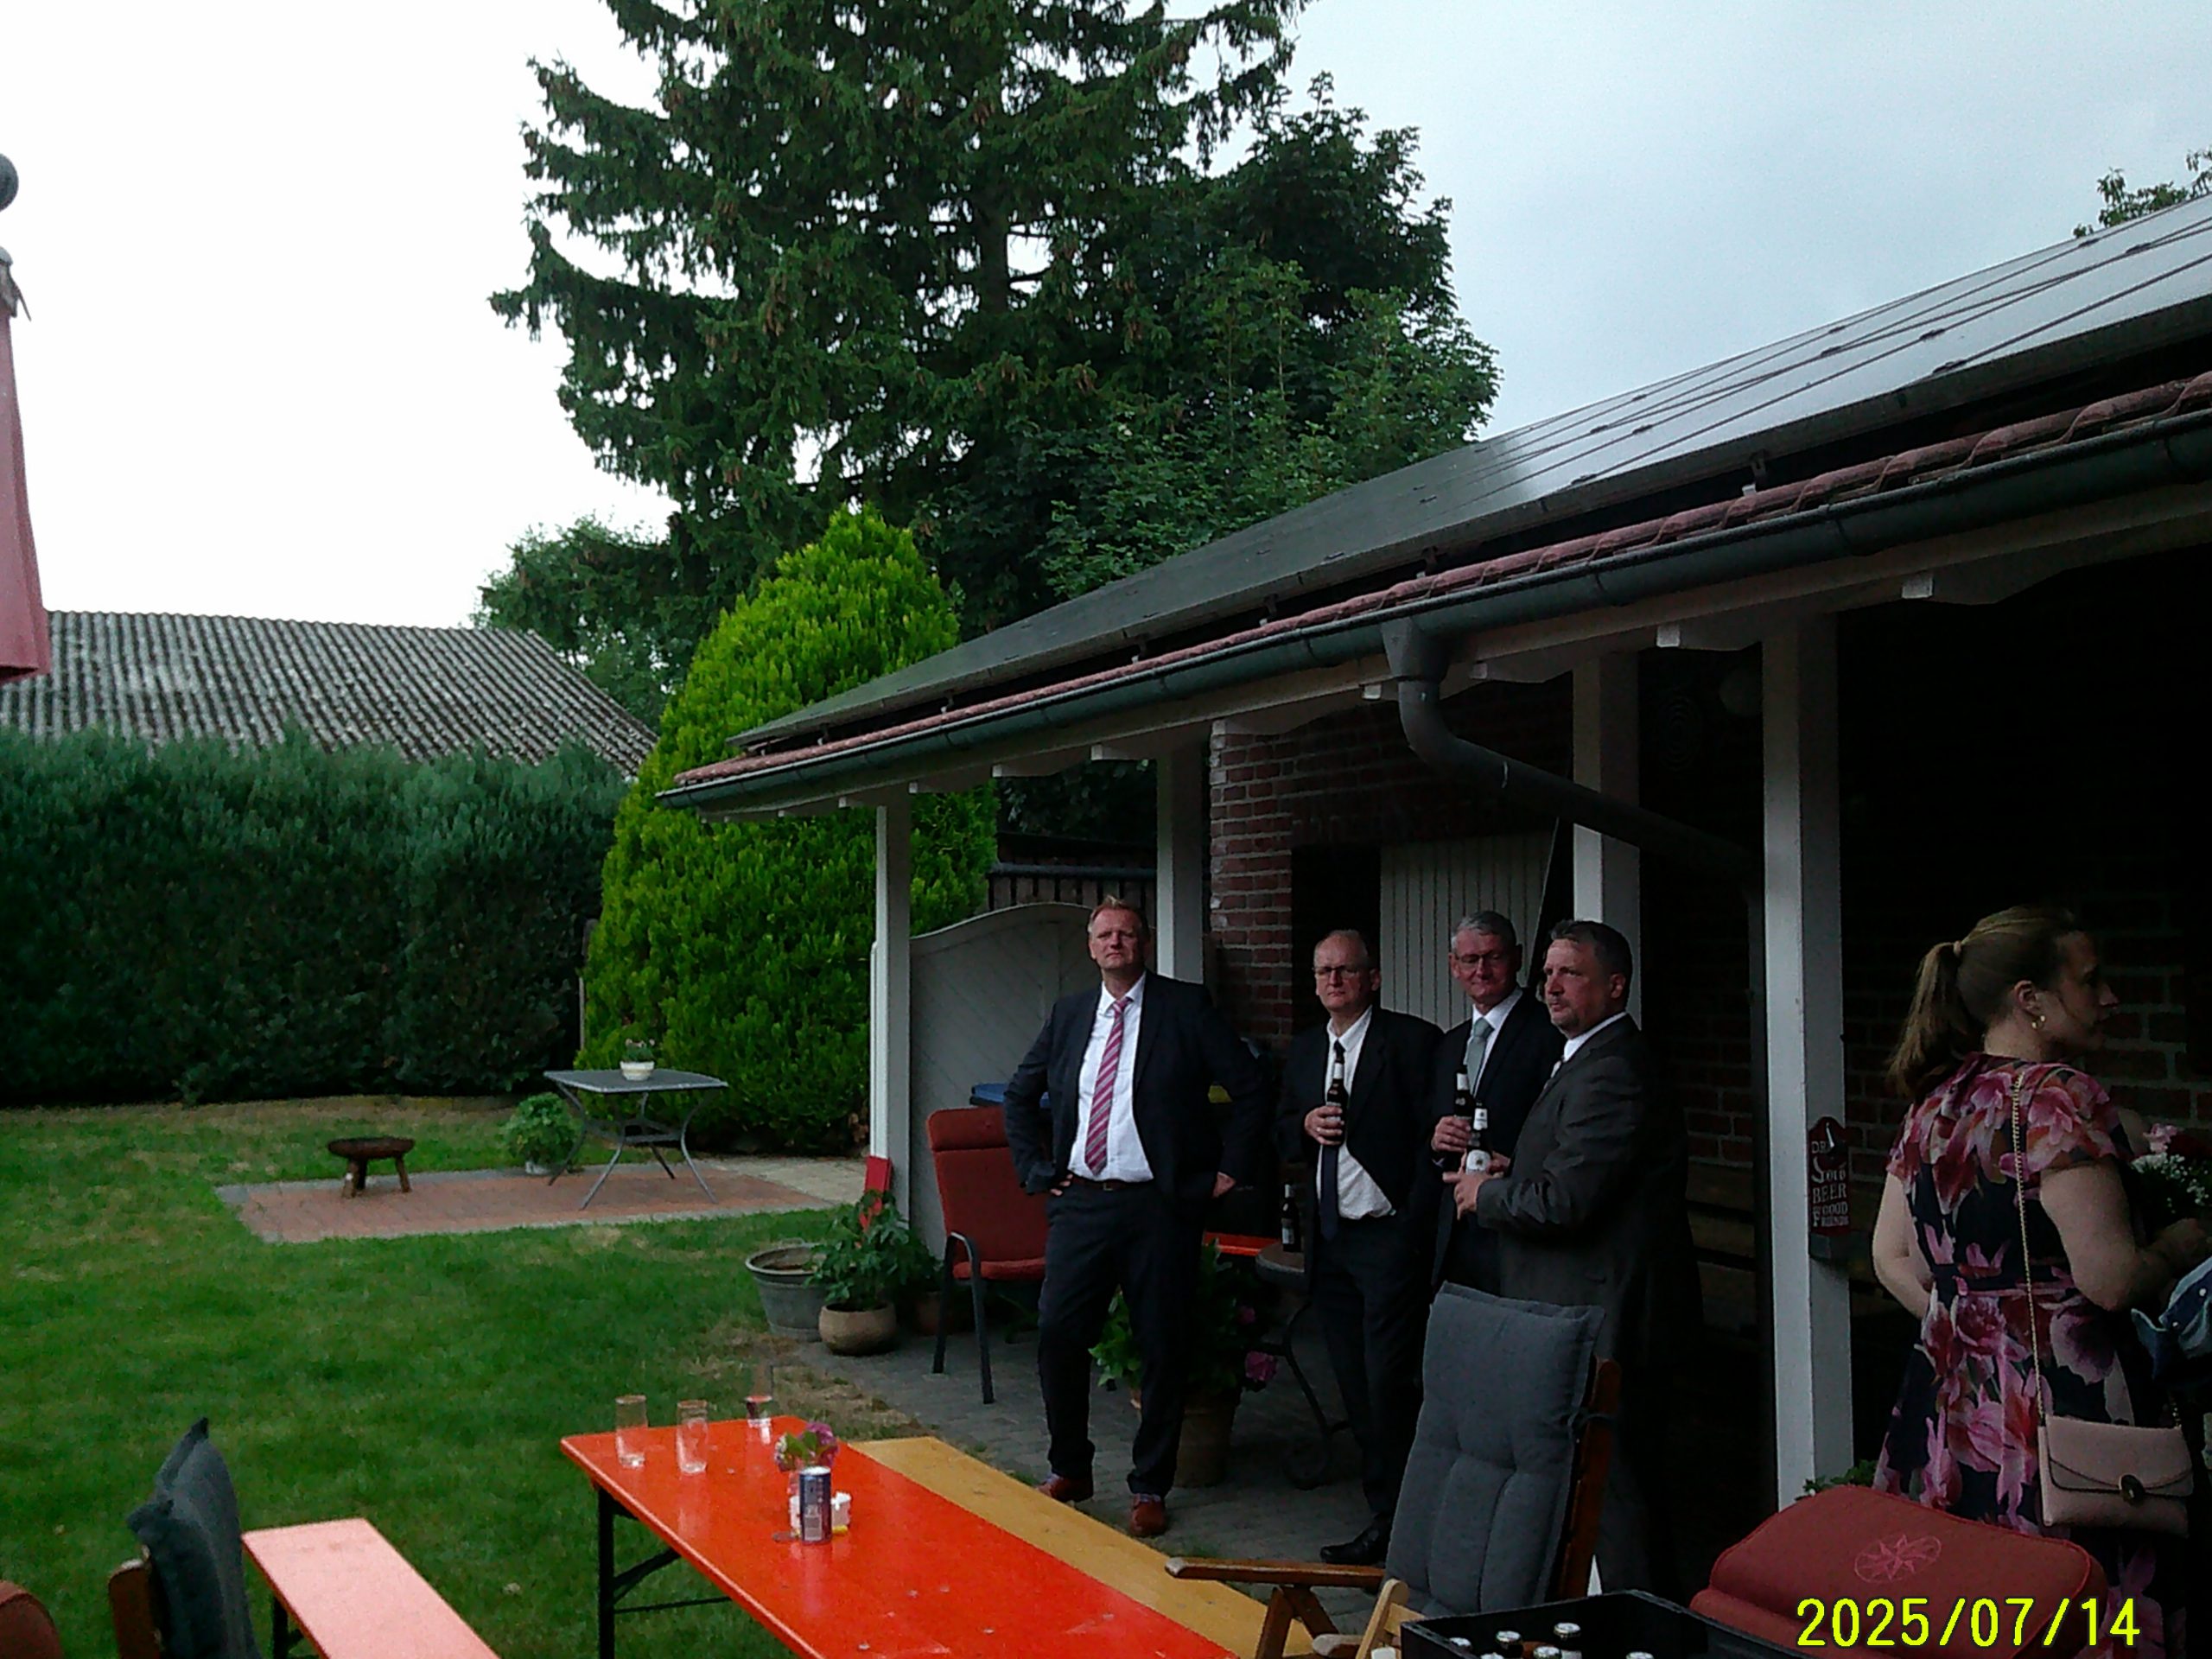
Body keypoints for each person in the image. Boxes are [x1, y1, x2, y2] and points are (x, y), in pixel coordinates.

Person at [1870, 906, 2208, 1659]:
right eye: (2091, 981)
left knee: (1971, 1608)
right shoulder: (2058, 1097)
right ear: (2030, 999)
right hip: (2064, 1403)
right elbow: (2111, 1280)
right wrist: (2179, 1245)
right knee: (2085, 1609)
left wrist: (1973, 1336)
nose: (2109, 998)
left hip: (1950, 1408)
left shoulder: (1934, 1102)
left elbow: (1894, 1256)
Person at [1001, 896, 1271, 1540]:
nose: (1115, 943)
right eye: (1105, 935)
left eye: (1126, 933)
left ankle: (1150, 1485)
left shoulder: (1185, 1008)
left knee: (1162, 1344)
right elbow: (1018, 1095)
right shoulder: (1070, 1014)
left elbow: (1253, 1087)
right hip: (1082, 1201)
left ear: (1143, 943)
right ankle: (1071, 1468)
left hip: (1159, 1205)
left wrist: (1229, 1170)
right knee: (1058, 1332)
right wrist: (1037, 1169)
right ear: (1090, 947)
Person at [1447, 918, 1697, 1596]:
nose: (1551, 987)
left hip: (1607, 1319)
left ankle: (1638, 1624)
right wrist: (1516, 1170)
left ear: (1615, 986)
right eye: (1549, 973)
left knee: (1614, 1495)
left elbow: (1566, 1202)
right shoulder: (1587, 1057)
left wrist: (1486, 1194)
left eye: (1571, 974)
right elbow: (1574, 1173)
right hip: (1586, 1312)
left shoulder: (1613, 1069)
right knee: (1597, 1489)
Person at [1274, 928, 1440, 1565]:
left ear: (1372, 978)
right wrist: (1304, 1123)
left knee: (1389, 1381)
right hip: (1332, 1241)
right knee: (1350, 1380)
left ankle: (1407, 1521)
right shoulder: (1306, 1049)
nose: (1335, 981)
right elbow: (1279, 1132)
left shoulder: (1411, 1042)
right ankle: (1383, 1513)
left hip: (1389, 1237)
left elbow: (1433, 1137)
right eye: (1324, 972)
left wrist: (1413, 1221)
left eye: (1346, 970)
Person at [1426, 912, 1564, 1292]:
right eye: (1470, 960)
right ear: (1454, 966)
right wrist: (1437, 1142)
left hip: (1517, 1232)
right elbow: (1426, 1130)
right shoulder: (1450, 1044)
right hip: (1456, 1234)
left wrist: (1515, 1166)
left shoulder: (1549, 1034)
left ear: (1517, 958)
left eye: (1493, 957)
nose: (1481, 971)